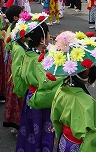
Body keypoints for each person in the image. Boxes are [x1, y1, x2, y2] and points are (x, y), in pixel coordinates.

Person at [41, 31, 96, 152]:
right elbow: (88, 137)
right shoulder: (84, 101)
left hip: (65, 141)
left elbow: (56, 119)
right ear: (86, 71)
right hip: (77, 146)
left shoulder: (62, 89)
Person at [9, 14, 63, 152]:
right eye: (48, 34)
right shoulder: (37, 60)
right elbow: (46, 82)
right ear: (42, 38)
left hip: (31, 97)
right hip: (41, 101)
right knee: (43, 134)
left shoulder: (28, 53)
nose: (50, 37)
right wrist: (63, 77)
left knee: (30, 132)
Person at [3, 5, 23, 134]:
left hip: (11, 59)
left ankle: (15, 122)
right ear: (16, 17)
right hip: (17, 64)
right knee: (18, 92)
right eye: (22, 13)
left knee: (13, 91)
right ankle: (18, 123)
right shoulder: (17, 30)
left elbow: (8, 43)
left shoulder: (11, 27)